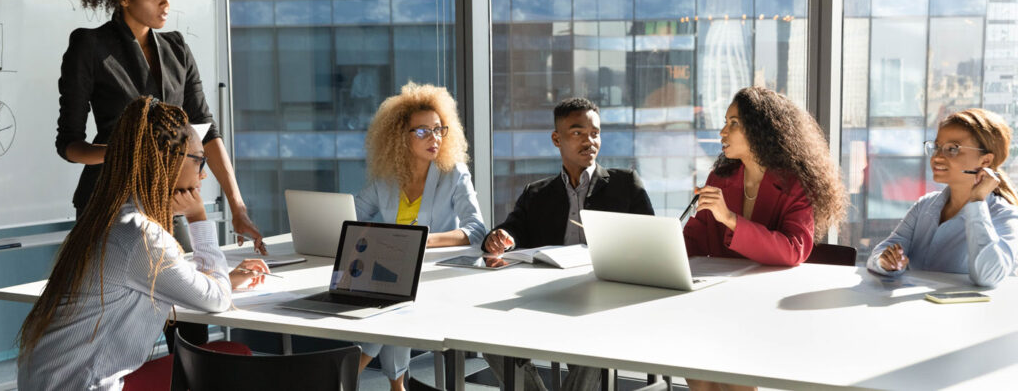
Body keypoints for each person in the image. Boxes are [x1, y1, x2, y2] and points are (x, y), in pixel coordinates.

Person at [17, 97, 269, 391]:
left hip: (54, 383)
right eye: (200, 160)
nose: (203, 173)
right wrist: (198, 217)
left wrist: (222, 278)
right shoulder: (141, 235)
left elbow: (150, 276)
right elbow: (217, 300)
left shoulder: (112, 218)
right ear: (167, 159)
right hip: (83, 387)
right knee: (230, 358)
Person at [54, 0, 264, 254]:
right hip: (110, 202)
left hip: (169, 196)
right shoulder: (90, 46)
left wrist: (237, 206)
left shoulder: (176, 48)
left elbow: (205, 129)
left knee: (194, 287)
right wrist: (128, 154)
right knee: (138, 297)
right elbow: (70, 145)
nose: (165, 3)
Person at [481, 97, 654, 391]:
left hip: (607, 303)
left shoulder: (626, 185)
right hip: (547, 299)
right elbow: (512, 229)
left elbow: (652, 245)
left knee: (595, 337)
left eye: (595, 133)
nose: (590, 141)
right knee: (483, 333)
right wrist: (500, 238)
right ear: (556, 139)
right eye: (578, 133)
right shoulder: (536, 194)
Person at [681, 86, 847, 391]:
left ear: (760, 130)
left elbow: (793, 249)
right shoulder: (721, 177)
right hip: (719, 301)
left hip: (769, 306)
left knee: (733, 376)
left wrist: (730, 219)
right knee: (698, 372)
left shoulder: (796, 184)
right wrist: (662, 250)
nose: (722, 132)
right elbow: (694, 240)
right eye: (725, 122)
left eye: (733, 124)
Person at [354, 83, 487, 390]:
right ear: (400, 136)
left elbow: (477, 230)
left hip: (435, 279)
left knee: (391, 302)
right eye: (423, 131)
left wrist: (423, 239)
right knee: (390, 299)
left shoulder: (454, 174)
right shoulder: (387, 180)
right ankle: (394, 384)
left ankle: (351, 371)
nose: (435, 138)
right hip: (389, 275)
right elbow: (351, 216)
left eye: (439, 129)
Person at [867, 108, 1018, 287]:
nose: (937, 157)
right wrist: (886, 263)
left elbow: (988, 276)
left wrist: (977, 201)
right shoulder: (925, 205)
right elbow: (882, 251)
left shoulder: (1006, 215)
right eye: (937, 147)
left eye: (952, 149)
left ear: (985, 161)